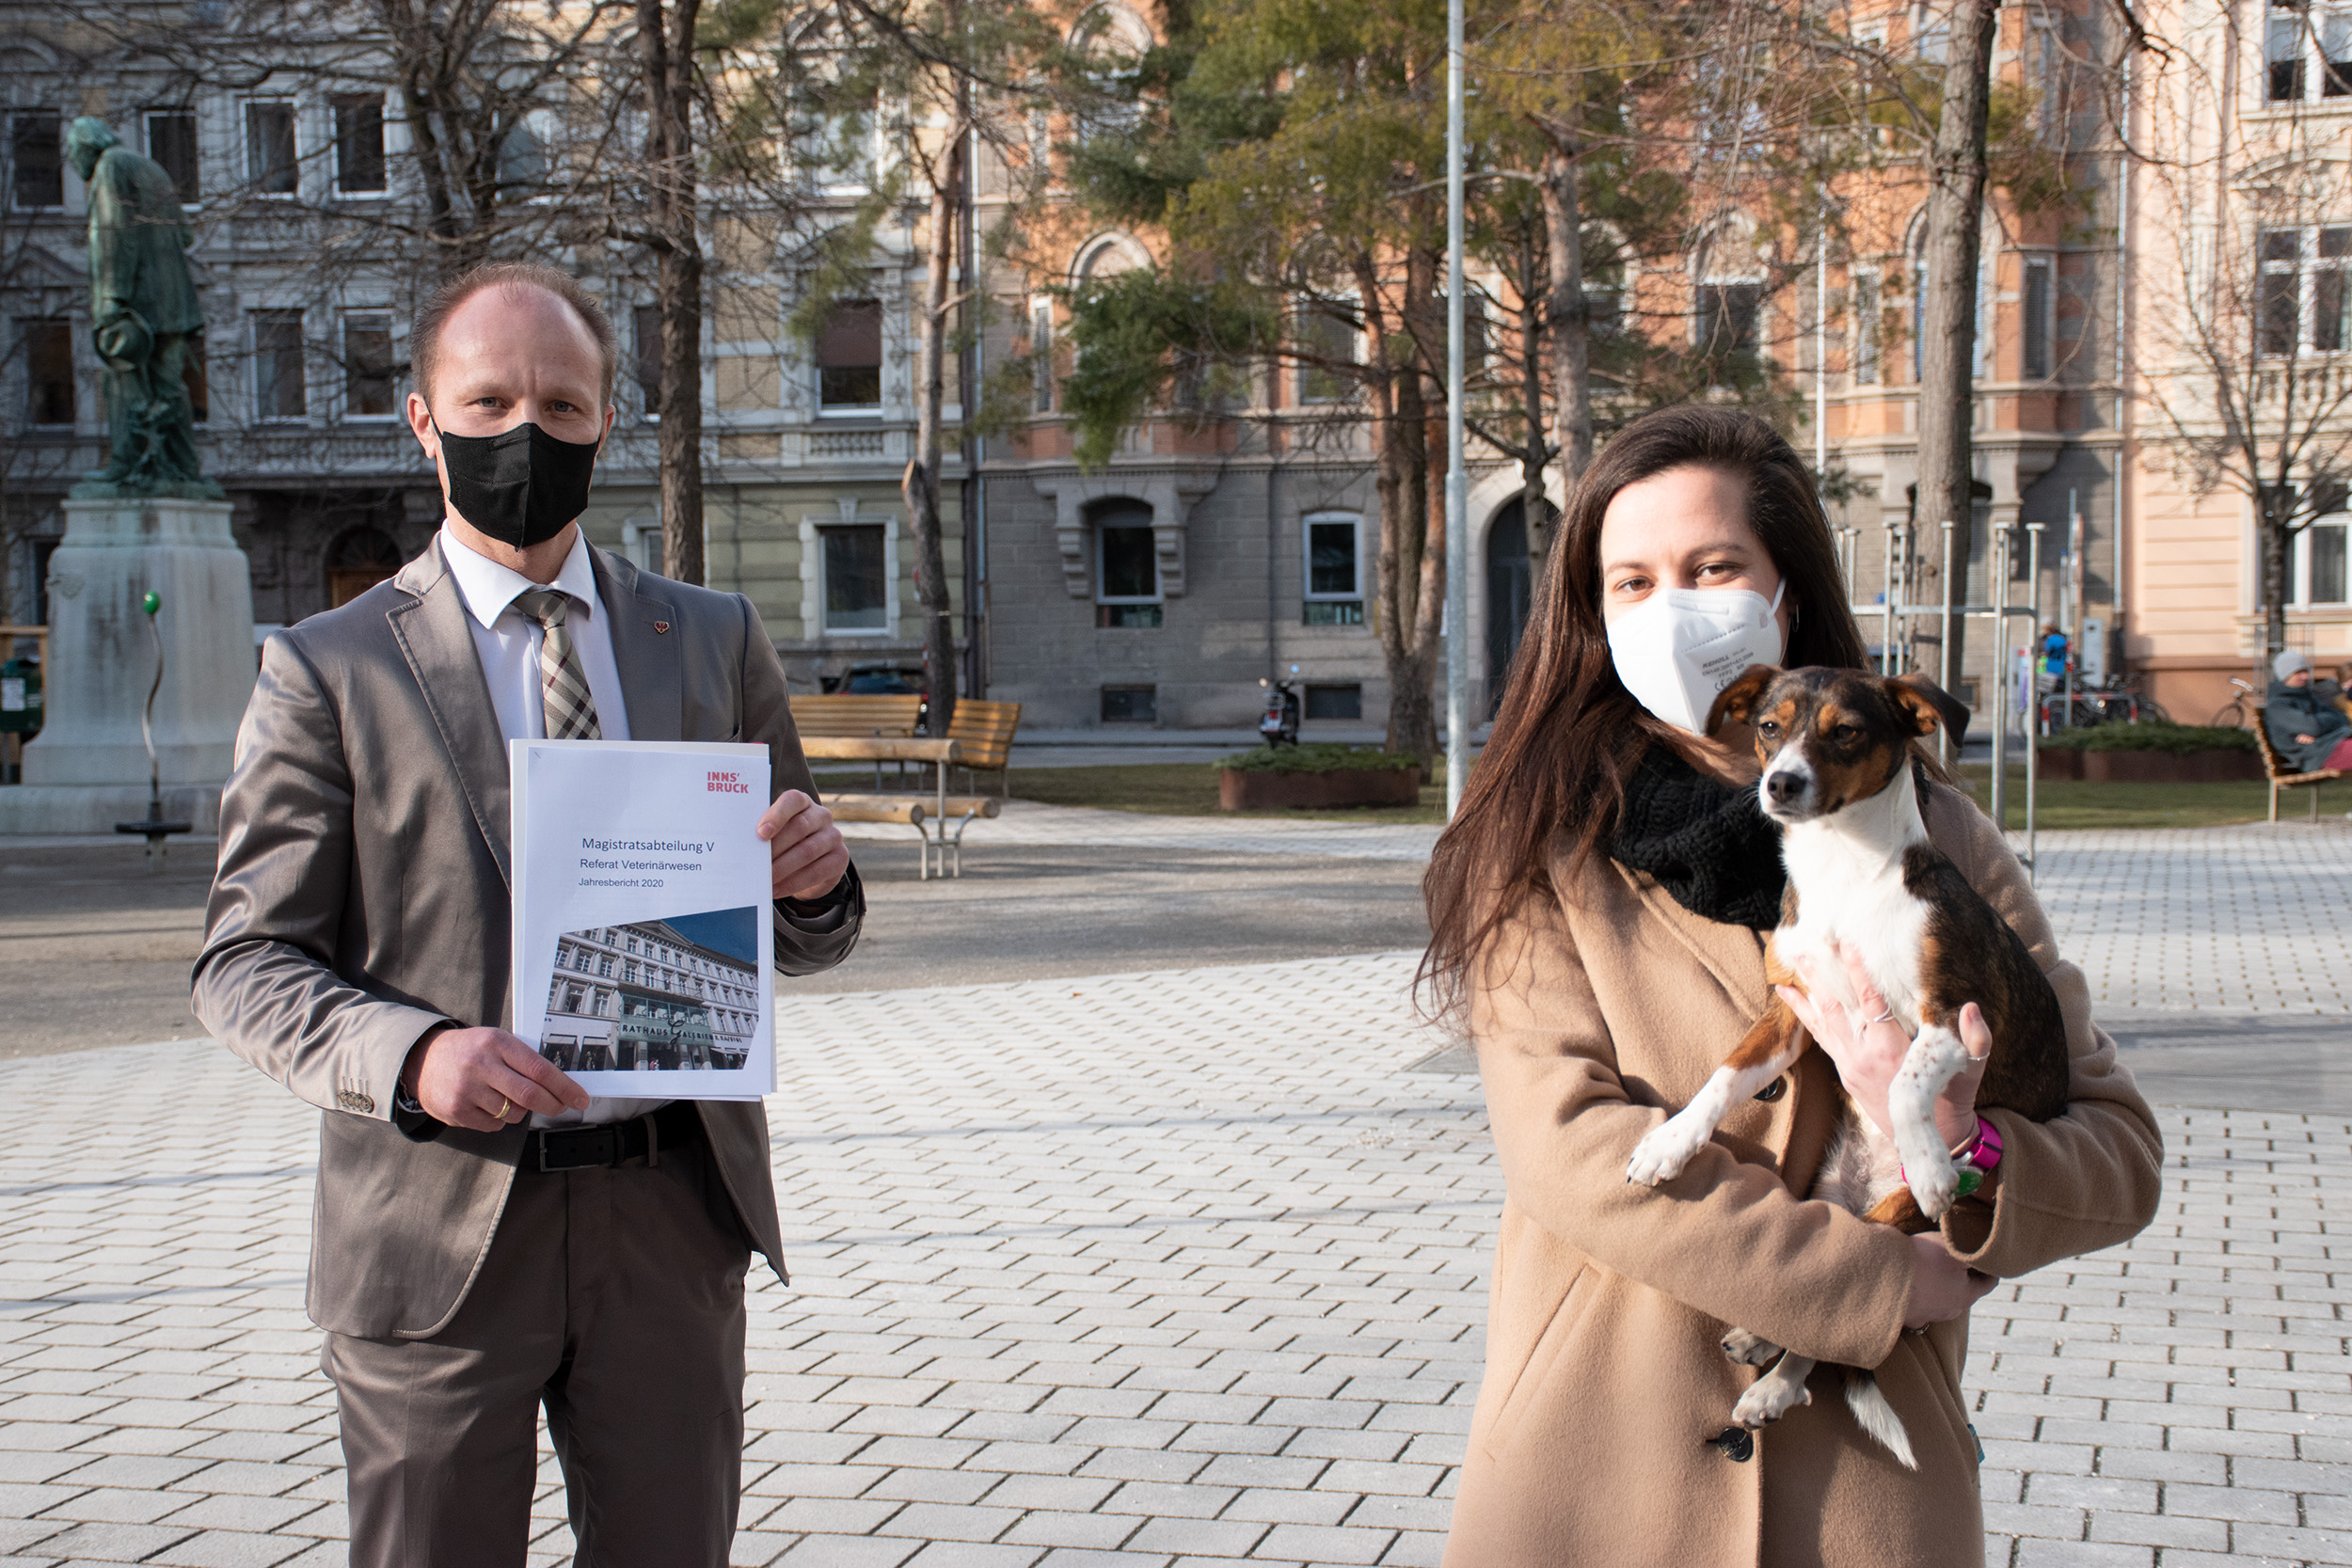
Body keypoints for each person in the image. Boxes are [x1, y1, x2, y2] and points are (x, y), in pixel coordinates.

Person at [193, 262, 862, 1567]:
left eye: (562, 404)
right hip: (434, 1223)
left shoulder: (710, 638)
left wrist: (819, 885)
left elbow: (805, 926)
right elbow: (244, 961)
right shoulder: (326, 668)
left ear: (608, 419)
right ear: (425, 420)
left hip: (666, 1214)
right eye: (490, 400)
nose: (528, 433)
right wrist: (412, 1053)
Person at [1420, 407, 2163, 1567]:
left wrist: (1965, 1150)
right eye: (1631, 581)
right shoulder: (1540, 847)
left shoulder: (1944, 843)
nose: (1672, 608)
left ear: (1786, 593)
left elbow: (2116, 1153)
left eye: (1712, 567)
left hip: (1866, 1497)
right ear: (1592, 613)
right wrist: (1873, 1278)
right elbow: (1570, 1151)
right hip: (1600, 1473)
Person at [62, 117, 214, 496]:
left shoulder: (110, 166)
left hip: (138, 302)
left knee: (125, 379)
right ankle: (182, 468)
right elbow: (185, 232)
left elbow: (114, 233)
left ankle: (125, 463)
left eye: (72, 151)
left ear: (86, 146)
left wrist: (113, 297)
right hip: (172, 301)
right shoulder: (151, 167)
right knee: (169, 387)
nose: (71, 160)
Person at [2265, 649, 2352, 773]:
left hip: (2331, 744)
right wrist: (2318, 726)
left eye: (2305, 671)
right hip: (2318, 755)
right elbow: (2313, 727)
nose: (2305, 677)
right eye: (2298, 672)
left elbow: (2342, 718)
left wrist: (2317, 728)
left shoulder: (2307, 697)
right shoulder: (2278, 706)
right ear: (2285, 675)